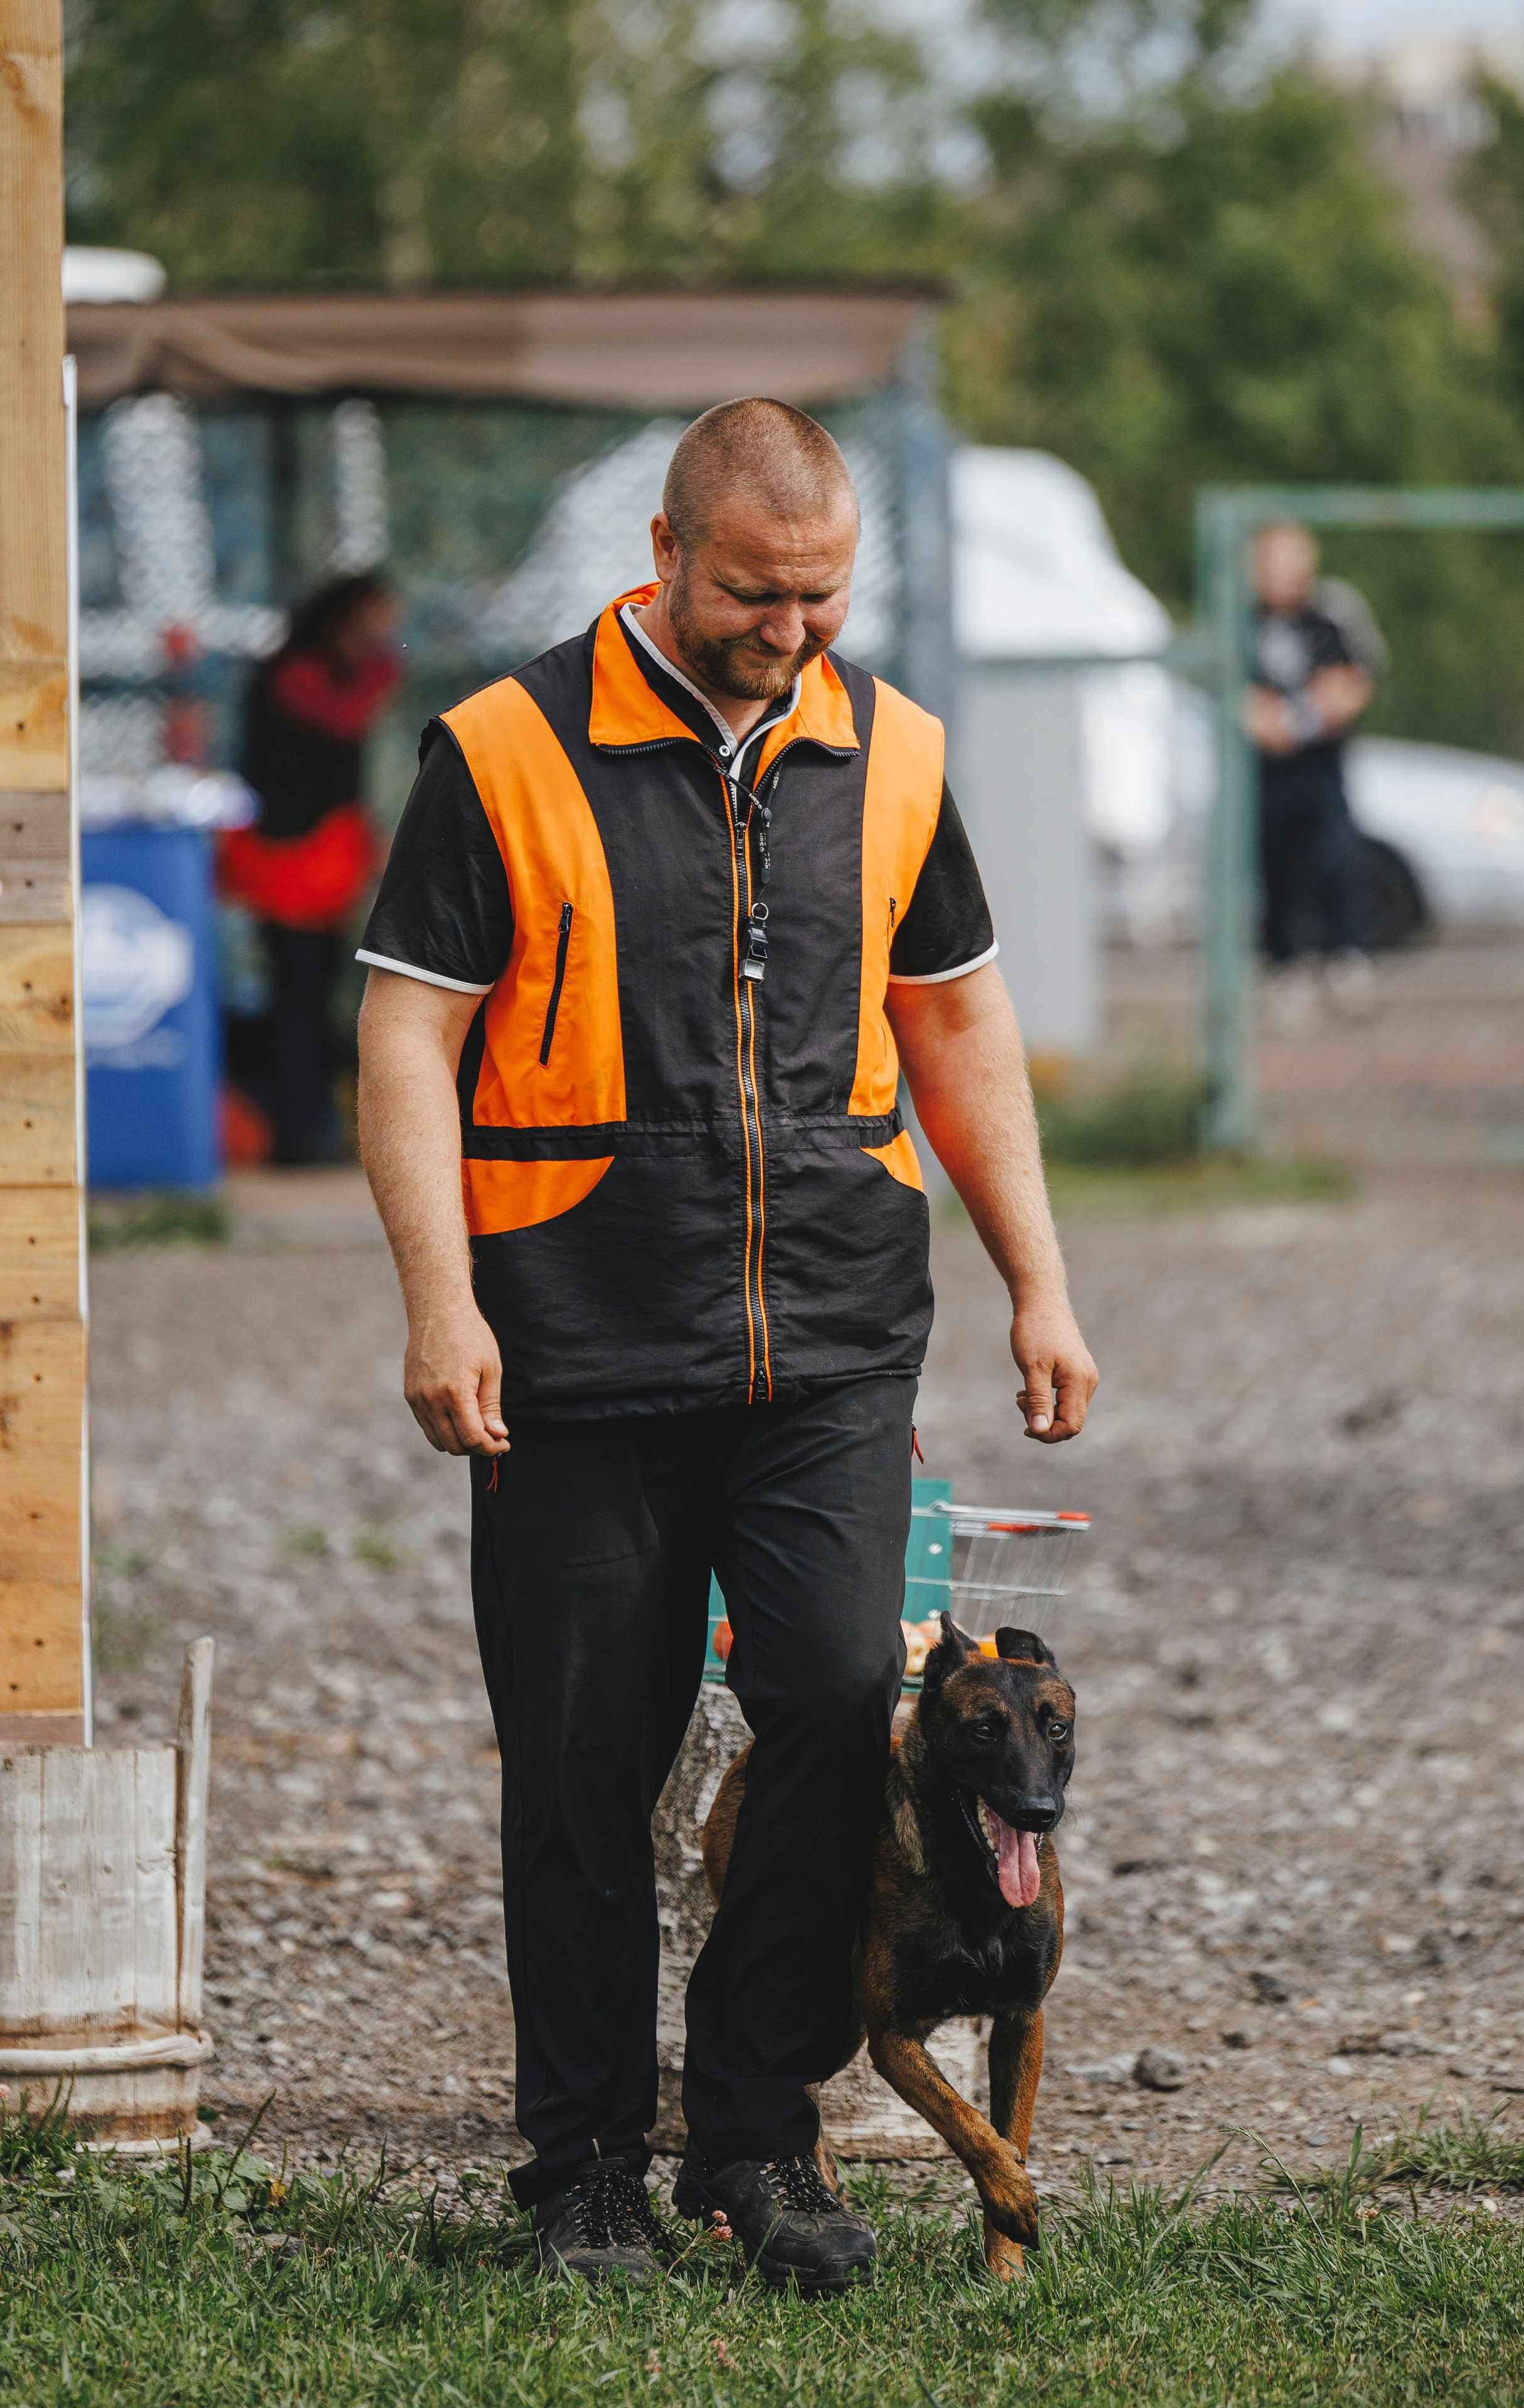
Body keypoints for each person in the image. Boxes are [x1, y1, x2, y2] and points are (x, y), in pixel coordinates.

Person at [354, 399, 1099, 2291]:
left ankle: (756, 2139)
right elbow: (405, 1037)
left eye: (822, 594)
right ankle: (585, 2172)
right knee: (581, 1766)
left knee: (842, 1703)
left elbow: (955, 1021)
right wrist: (440, 1298)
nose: (790, 629)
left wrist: (1036, 1275)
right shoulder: (503, 750)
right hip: (575, 1348)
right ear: (667, 551)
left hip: (831, 1345)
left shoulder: (893, 751)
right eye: (756, 592)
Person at [222, 571, 400, 1163]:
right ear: (345, 616)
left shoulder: (334, 672)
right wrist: (381, 671)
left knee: (315, 993)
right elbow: (341, 718)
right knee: (297, 997)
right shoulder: (296, 674)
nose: (386, 630)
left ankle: (310, 1123)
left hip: (324, 861)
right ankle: (295, 1133)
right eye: (376, 617)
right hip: (287, 863)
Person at [1245, 522, 1387, 1018]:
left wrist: (1305, 717)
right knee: (1274, 870)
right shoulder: (1242, 618)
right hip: (1264, 772)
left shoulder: (1332, 609)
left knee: (1337, 857)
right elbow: (1231, 690)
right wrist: (1261, 719)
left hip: (1319, 766)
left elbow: (1356, 677)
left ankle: (1346, 958)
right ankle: (1286, 968)